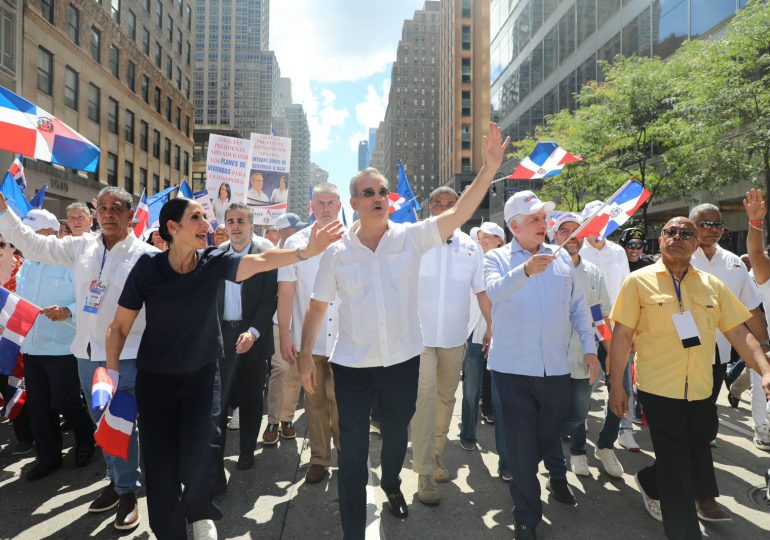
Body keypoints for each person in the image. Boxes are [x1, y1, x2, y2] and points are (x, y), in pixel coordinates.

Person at [298, 122, 509, 539]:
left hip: (401, 363)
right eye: (369, 193)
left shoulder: (412, 238)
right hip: (352, 367)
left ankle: (393, 482)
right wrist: (306, 355)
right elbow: (317, 306)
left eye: (383, 192)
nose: (378, 197)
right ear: (354, 202)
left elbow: (459, 213)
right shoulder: (336, 254)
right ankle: (353, 531)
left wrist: (488, 170)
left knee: (396, 437)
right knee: (353, 453)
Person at [105, 198, 343, 539]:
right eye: (196, 218)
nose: (207, 224)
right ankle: (170, 529)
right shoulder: (147, 269)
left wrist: (306, 251)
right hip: (156, 383)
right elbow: (118, 328)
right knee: (160, 465)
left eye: (206, 216)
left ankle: (199, 511)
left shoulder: (214, 261)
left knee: (202, 452)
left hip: (202, 377)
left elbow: (261, 260)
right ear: (172, 228)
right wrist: (111, 375)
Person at [0, 187, 156, 530]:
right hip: (86, 356)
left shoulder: (147, 256)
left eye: (117, 208)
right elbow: (34, 243)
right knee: (102, 424)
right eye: (103, 208)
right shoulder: (82, 246)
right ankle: (117, 483)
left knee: (122, 426)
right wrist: (3, 211)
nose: (109, 214)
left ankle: (128, 491)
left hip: (126, 358)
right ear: (95, 212)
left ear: (130, 214)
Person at [608, 216, 770, 540]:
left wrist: (765, 370)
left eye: (686, 233)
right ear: (662, 239)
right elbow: (622, 336)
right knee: (676, 468)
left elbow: (739, 332)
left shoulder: (712, 286)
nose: (677, 237)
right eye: (671, 232)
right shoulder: (637, 282)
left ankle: (650, 482)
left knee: (695, 451)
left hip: (700, 388)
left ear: (696, 244)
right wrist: (616, 386)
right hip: (658, 389)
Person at [485, 191, 599, 540]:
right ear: (514, 225)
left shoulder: (561, 258)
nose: (542, 224)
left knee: (551, 432)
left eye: (543, 218)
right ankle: (527, 517)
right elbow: (494, 293)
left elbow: (579, 308)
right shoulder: (497, 258)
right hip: (512, 370)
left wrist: (591, 350)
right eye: (534, 219)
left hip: (556, 368)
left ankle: (522, 469)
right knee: (521, 442)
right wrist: (525, 271)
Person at [411, 186, 492, 505]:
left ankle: (436, 454)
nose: (444, 208)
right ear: (429, 207)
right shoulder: (415, 238)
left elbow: (482, 291)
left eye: (451, 204)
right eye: (437, 203)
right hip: (418, 338)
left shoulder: (472, 247)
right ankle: (424, 470)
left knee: (446, 397)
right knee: (424, 397)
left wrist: (492, 326)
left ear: (460, 208)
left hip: (454, 337)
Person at [15, 209, 95, 482]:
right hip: (32, 347)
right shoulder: (26, 265)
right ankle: (49, 457)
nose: (32, 240)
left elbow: (89, 297)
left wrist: (68, 310)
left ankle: (86, 439)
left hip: (62, 347)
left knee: (65, 400)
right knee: (38, 406)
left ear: (51, 233)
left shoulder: (70, 261)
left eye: (37, 234)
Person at [279, 182, 343, 483]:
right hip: (311, 340)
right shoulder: (295, 243)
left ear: (340, 206)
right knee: (315, 402)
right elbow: (286, 292)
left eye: (332, 202)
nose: (327, 208)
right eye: (321, 203)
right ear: (311, 207)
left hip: (347, 340)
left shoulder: (354, 240)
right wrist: (284, 335)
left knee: (342, 401)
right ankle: (319, 458)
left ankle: (347, 454)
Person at [542, 213, 612, 489]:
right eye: (564, 231)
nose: (572, 236)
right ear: (554, 235)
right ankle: (556, 474)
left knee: (579, 413)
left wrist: (612, 348)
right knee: (552, 414)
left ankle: (539, 444)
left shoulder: (593, 273)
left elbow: (599, 316)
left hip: (584, 358)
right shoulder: (543, 267)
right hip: (550, 359)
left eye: (577, 231)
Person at [214, 203, 277, 491]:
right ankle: (215, 460)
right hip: (220, 338)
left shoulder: (263, 257)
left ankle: (247, 451)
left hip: (252, 336)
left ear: (252, 225)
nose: (236, 225)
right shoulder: (214, 256)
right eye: (230, 221)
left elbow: (269, 301)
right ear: (225, 226)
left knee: (251, 399)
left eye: (241, 220)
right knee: (219, 401)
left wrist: (252, 332)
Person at [580, 200, 639, 462]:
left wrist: (632, 327)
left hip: (616, 328)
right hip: (583, 328)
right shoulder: (576, 250)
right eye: (592, 218)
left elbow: (627, 291)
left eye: (602, 218)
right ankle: (577, 435)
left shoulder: (616, 252)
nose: (597, 224)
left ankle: (607, 443)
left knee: (621, 385)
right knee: (584, 388)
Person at [460, 222, 509, 482]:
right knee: (471, 390)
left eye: (487, 238)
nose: (482, 241)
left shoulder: (508, 263)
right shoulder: (470, 262)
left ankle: (506, 462)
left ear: (500, 240)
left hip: (501, 338)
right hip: (473, 336)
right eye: (479, 238)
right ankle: (467, 434)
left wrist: (494, 328)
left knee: (501, 399)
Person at [262, 213, 308, 445]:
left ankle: (286, 419)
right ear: (280, 232)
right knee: (280, 369)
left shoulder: (306, 249)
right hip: (279, 322)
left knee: (295, 372)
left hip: (300, 320)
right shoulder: (270, 255)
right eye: (292, 229)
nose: (298, 232)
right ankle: (272, 420)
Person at [741, 189, 770, 449]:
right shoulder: (767, 276)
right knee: (760, 387)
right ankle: (762, 427)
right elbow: (756, 254)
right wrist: (755, 223)